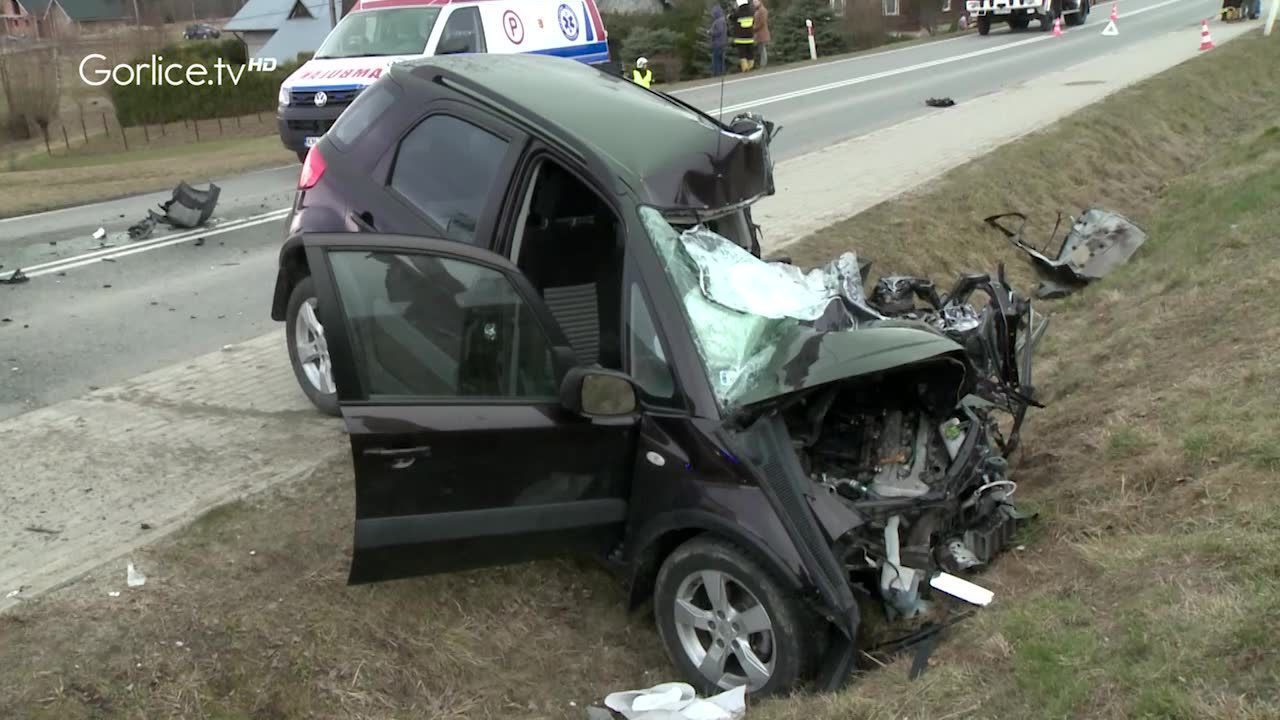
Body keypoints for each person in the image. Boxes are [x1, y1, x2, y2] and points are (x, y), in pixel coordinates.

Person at [732, 0, 755, 72]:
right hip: (750, 37)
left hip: (740, 38)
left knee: (742, 54)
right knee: (750, 53)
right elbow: (753, 22)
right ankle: (751, 66)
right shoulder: (751, 12)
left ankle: (745, 68)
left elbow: (731, 17)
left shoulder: (738, 13)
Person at [708, 3, 728, 77]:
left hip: (718, 43)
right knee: (720, 59)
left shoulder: (718, 21)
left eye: (713, 13)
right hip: (722, 42)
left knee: (716, 59)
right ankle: (721, 72)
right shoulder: (722, 20)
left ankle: (718, 73)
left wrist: (710, 32)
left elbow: (719, 31)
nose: (712, 15)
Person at [753, 0, 770, 69]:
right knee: (760, 49)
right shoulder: (757, 11)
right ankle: (762, 63)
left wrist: (755, 28)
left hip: (762, 32)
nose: (754, 4)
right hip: (758, 33)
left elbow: (762, 22)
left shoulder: (762, 10)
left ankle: (763, 64)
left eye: (755, 2)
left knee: (762, 49)